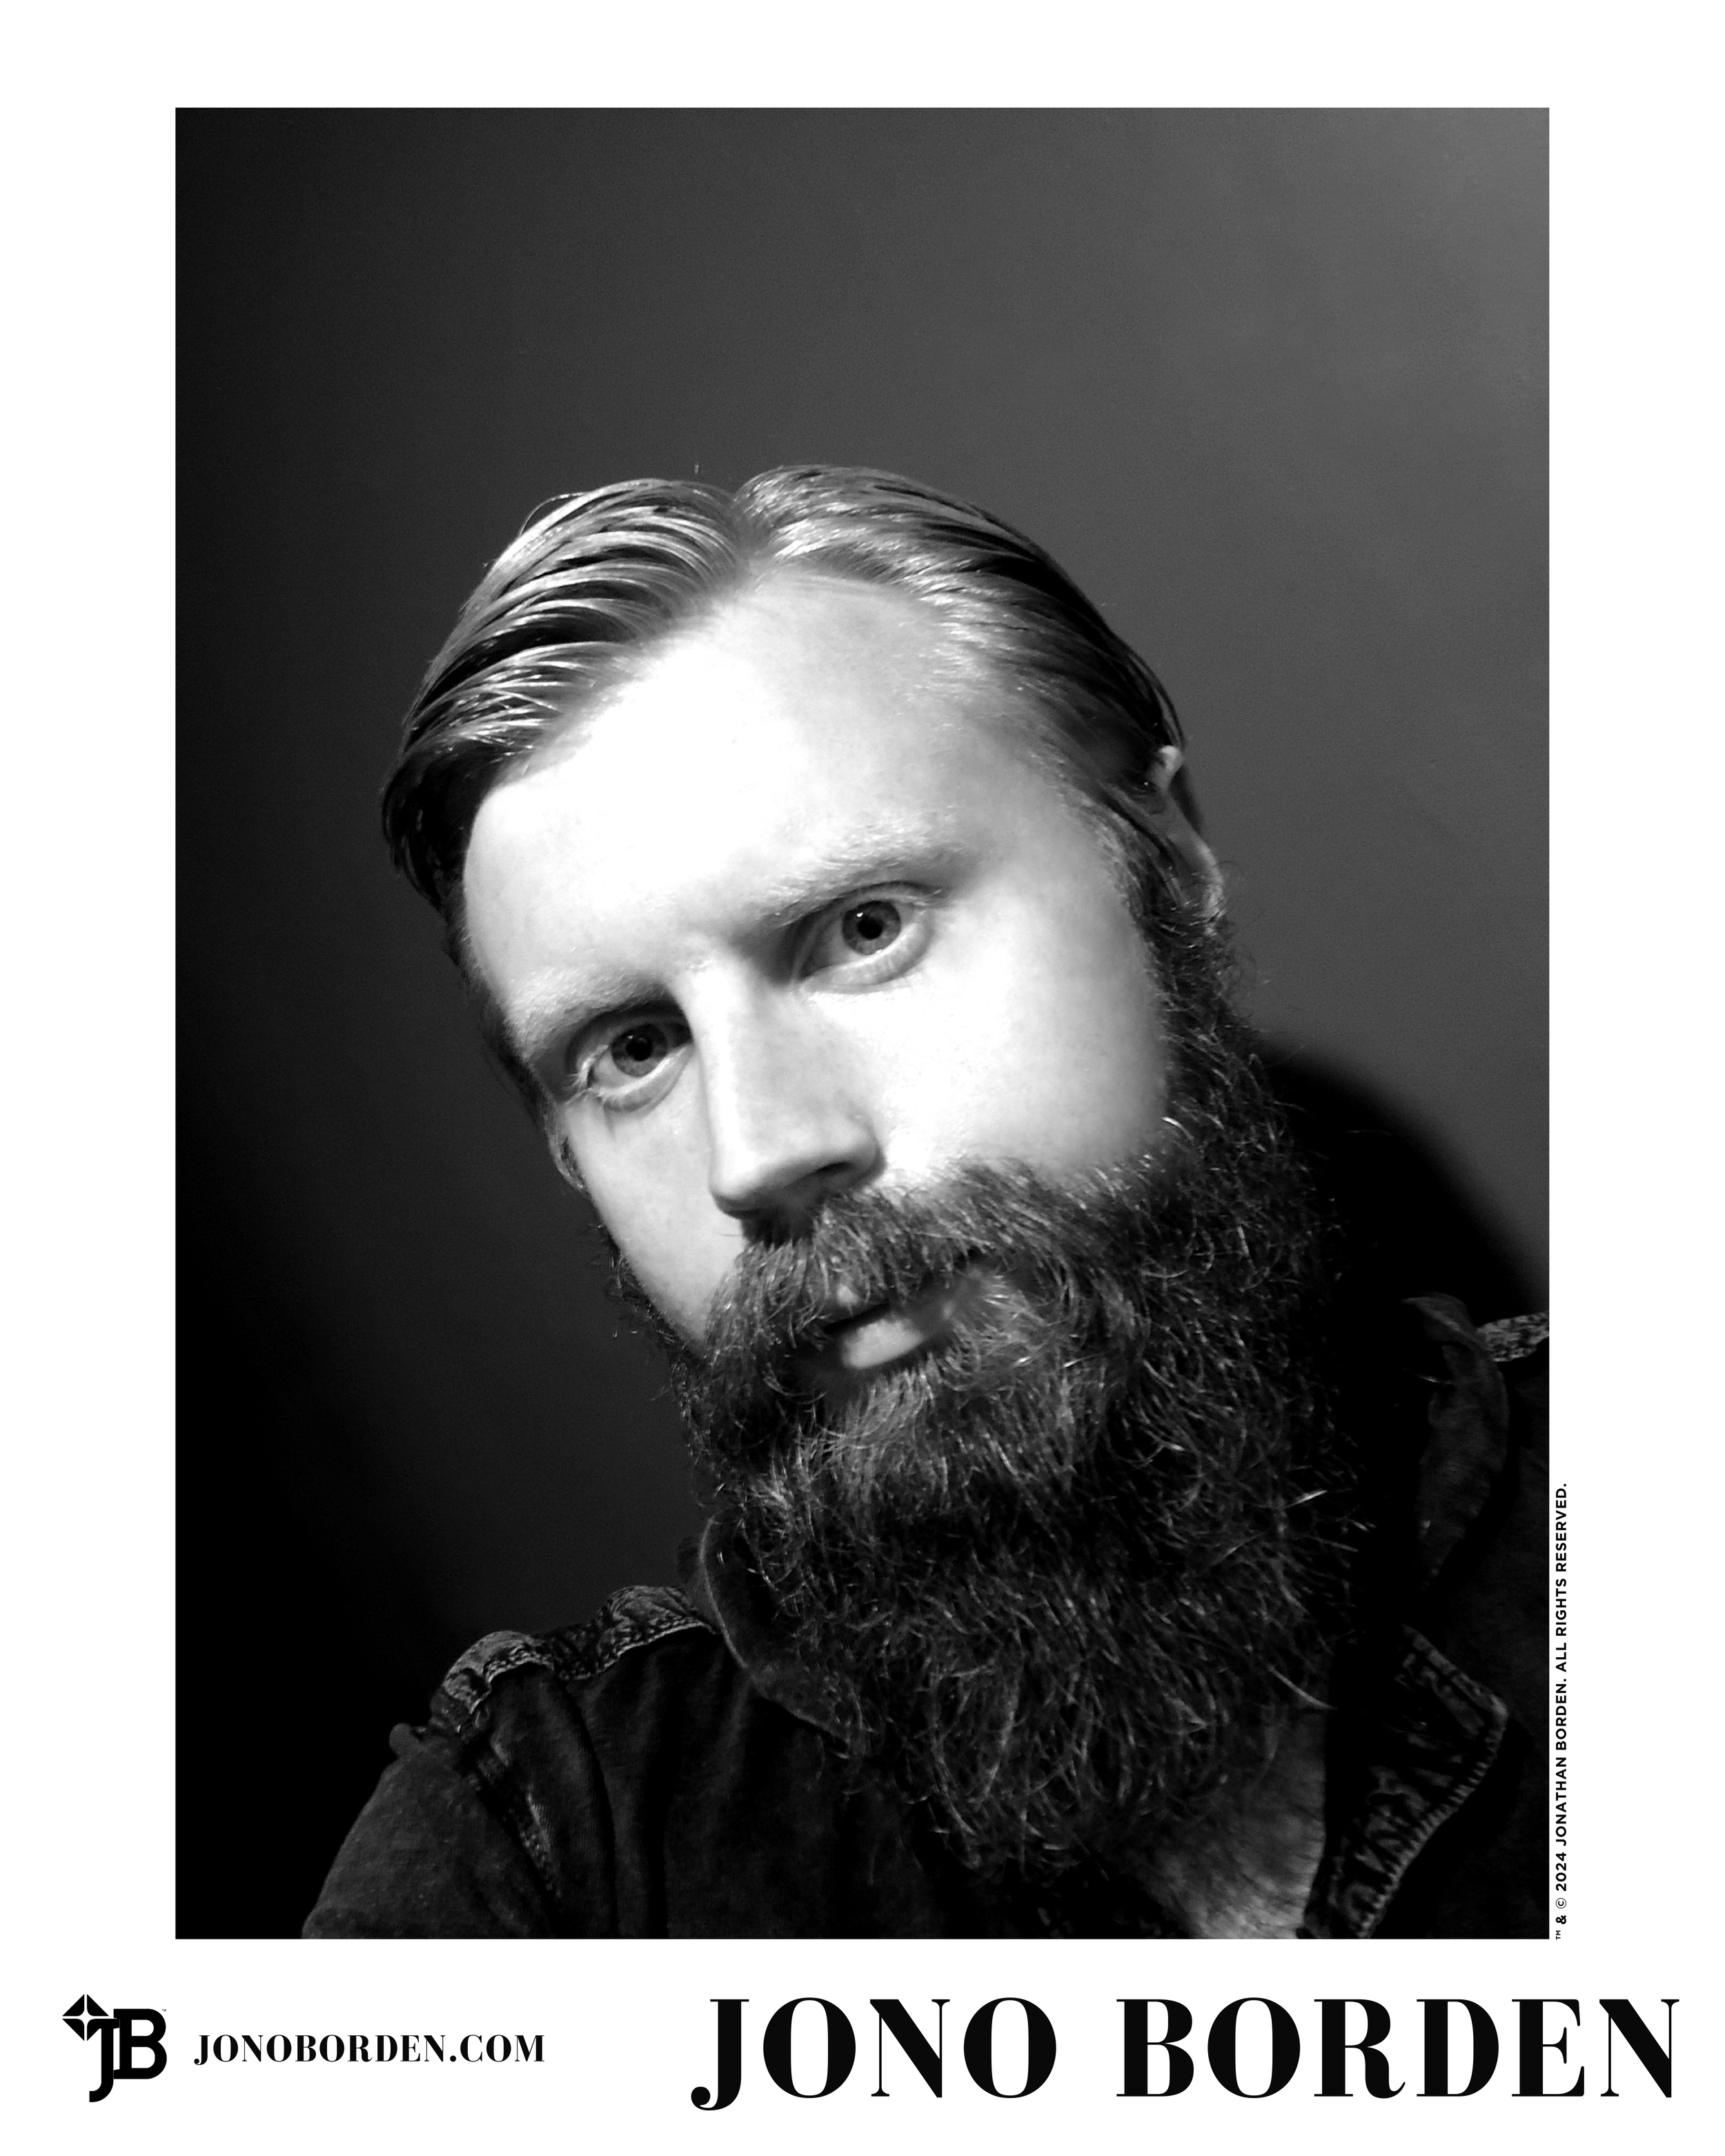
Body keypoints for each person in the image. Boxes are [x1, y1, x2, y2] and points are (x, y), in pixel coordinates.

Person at [304, 467, 1546, 1940]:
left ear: (1160, 856)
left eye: (861, 930)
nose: (756, 1149)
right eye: (631, 1049)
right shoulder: (549, 1858)